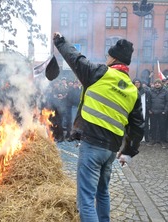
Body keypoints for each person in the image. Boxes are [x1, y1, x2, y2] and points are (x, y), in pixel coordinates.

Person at [53, 32, 145, 222]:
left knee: (85, 200)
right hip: (111, 150)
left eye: (108, 56)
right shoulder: (132, 89)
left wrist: (60, 41)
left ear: (113, 58)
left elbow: (76, 59)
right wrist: (128, 152)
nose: (106, 58)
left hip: (92, 146)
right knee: (102, 193)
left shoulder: (100, 73)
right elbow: (137, 127)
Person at [147, 78, 168, 148]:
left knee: (162, 127)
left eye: (158, 83)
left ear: (161, 84)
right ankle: (153, 140)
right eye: (156, 83)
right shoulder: (150, 91)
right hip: (153, 112)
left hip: (162, 113)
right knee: (153, 127)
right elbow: (149, 101)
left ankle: (162, 141)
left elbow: (167, 102)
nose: (157, 84)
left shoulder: (165, 91)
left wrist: (165, 111)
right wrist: (149, 109)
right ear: (154, 84)